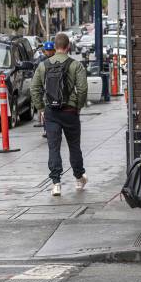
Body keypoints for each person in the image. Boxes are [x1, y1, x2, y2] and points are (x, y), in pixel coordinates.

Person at [30, 33, 88, 197]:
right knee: (74, 146)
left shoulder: (43, 65)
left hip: (51, 112)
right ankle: (78, 178)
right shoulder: (76, 65)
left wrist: (41, 108)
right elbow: (82, 89)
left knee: (53, 147)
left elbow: (34, 89)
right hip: (70, 111)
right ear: (68, 47)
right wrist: (78, 106)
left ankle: (56, 184)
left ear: (54, 47)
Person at [36, 41, 56, 138]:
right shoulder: (41, 61)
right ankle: (46, 129)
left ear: (54, 50)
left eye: (50, 50)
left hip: (55, 89)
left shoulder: (57, 60)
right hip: (45, 90)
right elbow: (37, 76)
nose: (49, 52)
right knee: (46, 111)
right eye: (47, 50)